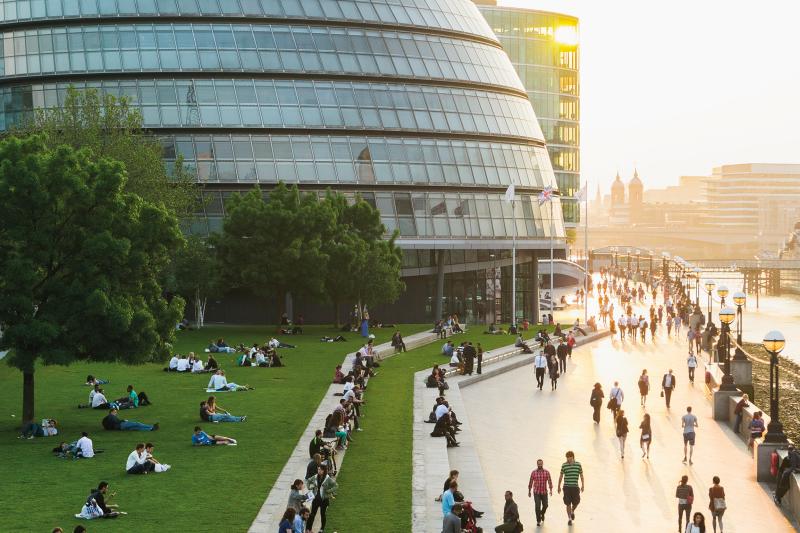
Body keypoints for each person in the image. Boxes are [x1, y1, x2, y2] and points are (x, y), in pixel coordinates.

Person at [306, 464, 337, 533]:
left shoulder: (328, 479)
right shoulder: (315, 477)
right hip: (316, 499)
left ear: (323, 471)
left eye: (320, 469)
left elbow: (336, 486)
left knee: (322, 514)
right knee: (312, 514)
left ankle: (322, 529)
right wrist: (309, 487)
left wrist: (329, 491)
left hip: (324, 500)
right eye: (318, 469)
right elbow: (308, 480)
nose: (318, 471)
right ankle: (309, 529)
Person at [557, 450, 584, 526]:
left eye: (569, 458)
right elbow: (561, 476)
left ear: (573, 457)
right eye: (567, 458)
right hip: (567, 487)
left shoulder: (578, 465)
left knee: (576, 502)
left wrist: (583, 485)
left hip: (575, 487)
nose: (568, 459)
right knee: (568, 503)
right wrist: (558, 486)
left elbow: (581, 476)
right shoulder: (564, 465)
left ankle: (572, 511)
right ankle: (569, 519)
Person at [528, 459, 553, 526]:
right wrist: (529, 491)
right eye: (538, 464)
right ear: (537, 464)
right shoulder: (534, 472)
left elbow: (550, 481)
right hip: (536, 492)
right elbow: (530, 481)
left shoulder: (546, 472)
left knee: (545, 505)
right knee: (537, 506)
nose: (540, 465)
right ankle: (538, 520)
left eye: (541, 464)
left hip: (544, 492)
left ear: (542, 464)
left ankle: (542, 513)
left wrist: (551, 490)